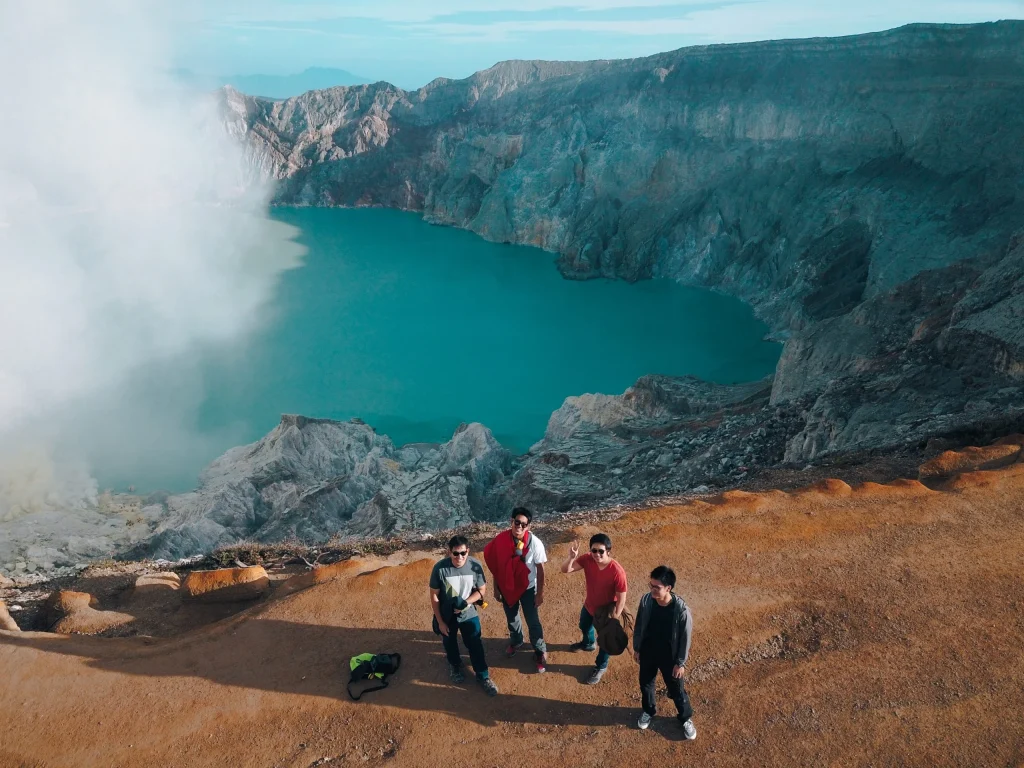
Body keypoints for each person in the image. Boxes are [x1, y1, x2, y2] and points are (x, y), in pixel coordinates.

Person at [429, 536, 499, 696]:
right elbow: (434, 596)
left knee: (475, 643)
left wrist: (466, 603)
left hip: (468, 613)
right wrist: (440, 622)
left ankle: (483, 676)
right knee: (449, 642)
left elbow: (481, 590)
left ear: (468, 551)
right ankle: (455, 665)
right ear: (449, 551)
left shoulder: (475, 566)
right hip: (447, 615)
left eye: (463, 553)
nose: (459, 557)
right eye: (455, 553)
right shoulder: (439, 569)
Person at [633, 565, 696, 739]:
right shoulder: (646, 601)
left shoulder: (681, 611)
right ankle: (648, 710)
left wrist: (680, 663)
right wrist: (637, 648)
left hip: (670, 657)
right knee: (646, 684)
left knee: (676, 689)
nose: (652, 589)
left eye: (657, 587)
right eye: (651, 585)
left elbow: (685, 639)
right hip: (648, 651)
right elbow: (639, 625)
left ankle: (685, 718)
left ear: (668, 588)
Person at [483, 507, 549, 673]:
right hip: (507, 587)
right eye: (517, 522)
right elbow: (497, 566)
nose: (519, 526)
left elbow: (540, 570)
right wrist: (496, 587)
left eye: (523, 524)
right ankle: (517, 640)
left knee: (532, 621)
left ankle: (540, 651)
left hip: (528, 588)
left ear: (528, 526)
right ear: (511, 521)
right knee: (512, 617)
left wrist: (539, 594)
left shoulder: (535, 543)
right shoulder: (501, 540)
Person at [561, 532, 628, 684]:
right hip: (589, 605)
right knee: (584, 625)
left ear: (608, 551)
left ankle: (601, 666)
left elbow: (622, 598)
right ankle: (589, 644)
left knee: (605, 641)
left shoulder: (617, 571)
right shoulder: (587, 559)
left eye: (601, 551)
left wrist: (614, 619)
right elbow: (566, 570)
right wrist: (571, 558)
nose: (597, 554)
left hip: (606, 612)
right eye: (594, 550)